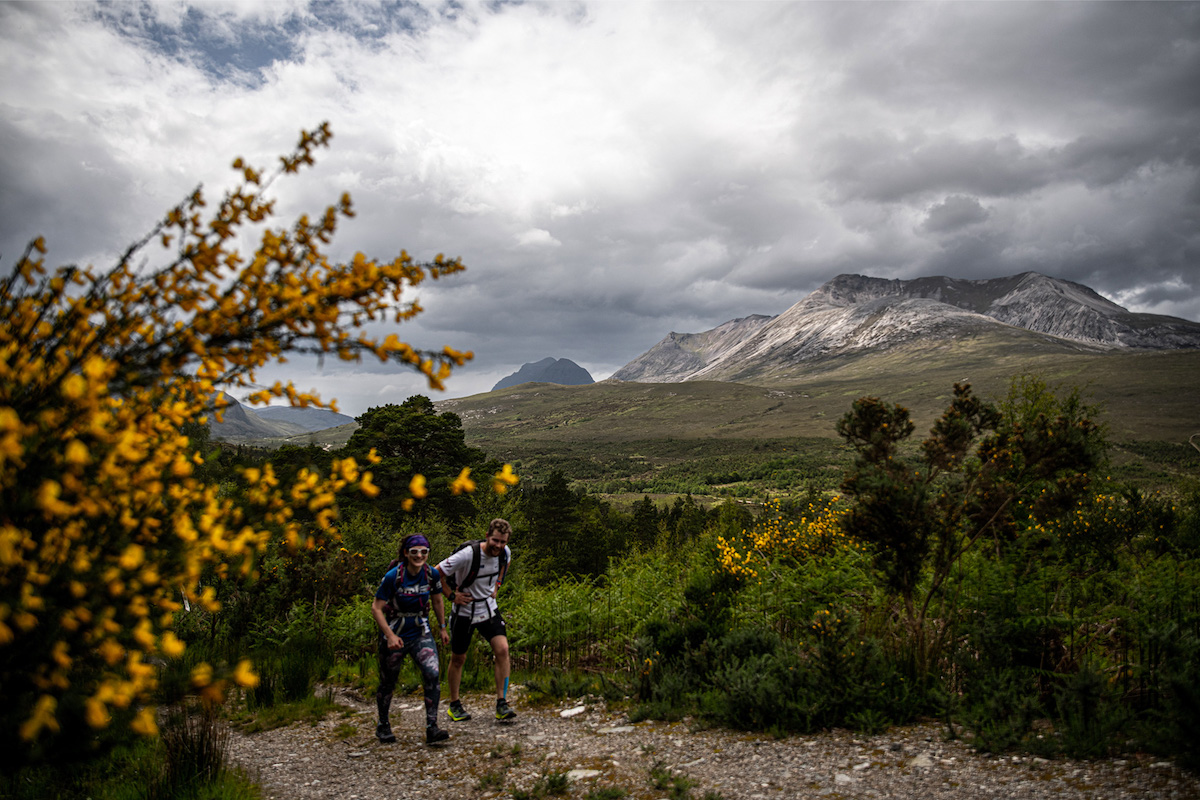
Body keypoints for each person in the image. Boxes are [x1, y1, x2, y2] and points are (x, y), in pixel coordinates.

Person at [371, 534, 451, 744]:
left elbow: (437, 601)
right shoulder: (393, 577)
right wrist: (389, 636)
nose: (419, 556)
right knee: (389, 681)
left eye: (424, 552)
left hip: (420, 631)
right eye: (414, 552)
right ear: (406, 553)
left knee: (432, 673)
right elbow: (376, 608)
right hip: (395, 631)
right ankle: (383, 725)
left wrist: (443, 628)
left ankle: (432, 727)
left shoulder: (431, 574)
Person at [437, 518, 517, 722]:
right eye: (495, 541)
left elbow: (503, 568)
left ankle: (502, 702)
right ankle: (454, 704)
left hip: (488, 609)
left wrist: (496, 586)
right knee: (458, 658)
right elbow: (435, 574)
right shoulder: (467, 555)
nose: (498, 546)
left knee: (503, 650)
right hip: (464, 612)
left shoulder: (505, 554)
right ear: (488, 536)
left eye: (503, 542)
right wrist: (451, 596)